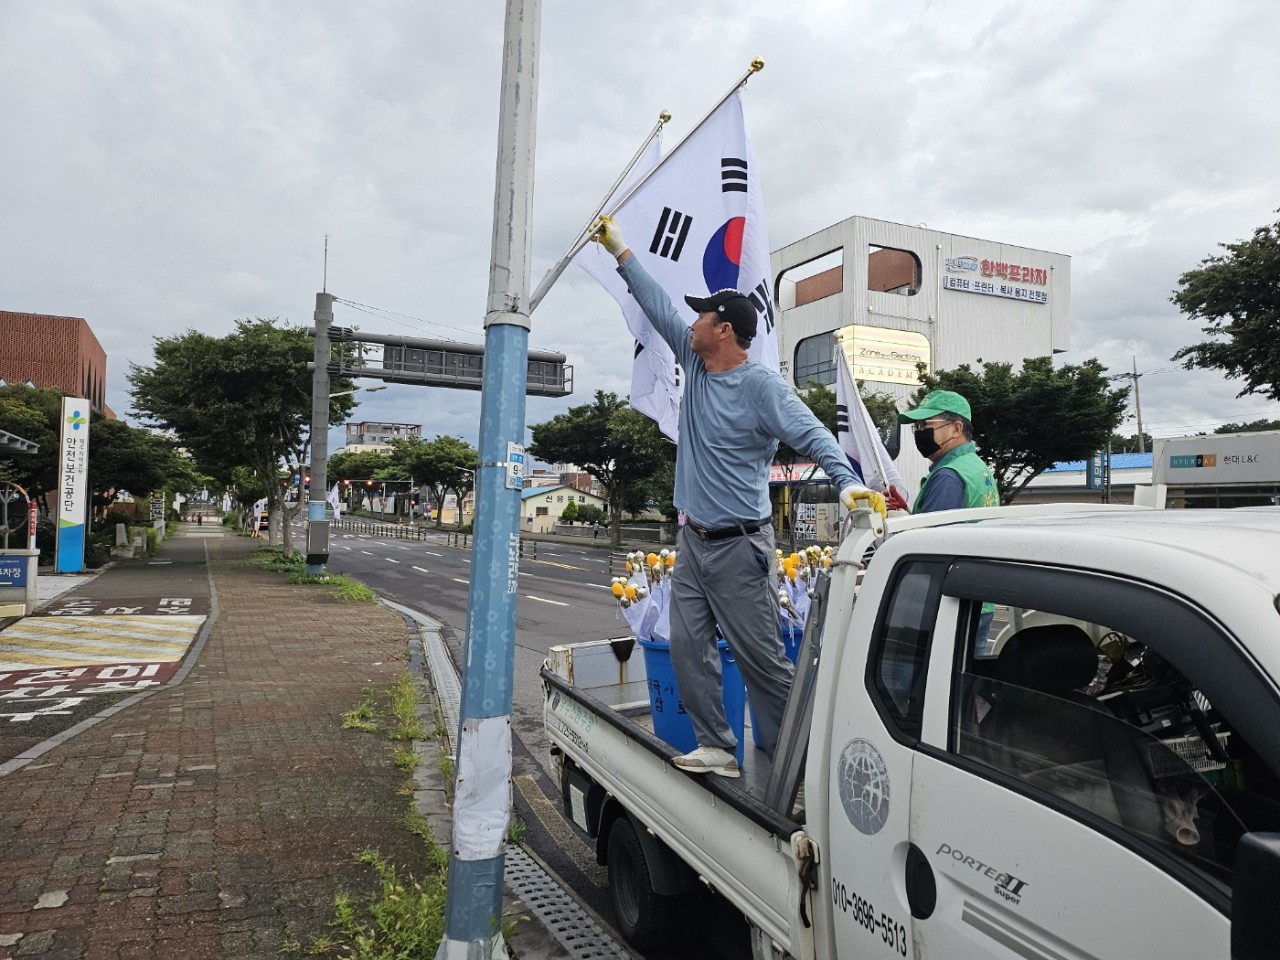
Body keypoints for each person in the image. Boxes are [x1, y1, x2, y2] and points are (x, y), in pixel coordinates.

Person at [592, 217, 885, 778]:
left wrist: (845, 480)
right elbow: (658, 308)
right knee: (686, 648)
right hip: (693, 541)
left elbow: (814, 433)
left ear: (723, 329)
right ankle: (718, 747)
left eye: (703, 314)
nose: (693, 322)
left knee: (763, 663)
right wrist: (621, 251)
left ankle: (798, 765)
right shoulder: (697, 366)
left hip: (740, 548)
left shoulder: (761, 387)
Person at [899, 389, 1000, 643]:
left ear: (956, 428)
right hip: (979, 598)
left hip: (949, 602)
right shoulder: (978, 469)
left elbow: (927, 547)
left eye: (926, 425)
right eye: (916, 427)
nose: (919, 433)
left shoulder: (949, 476)